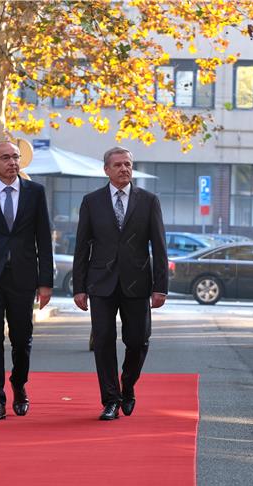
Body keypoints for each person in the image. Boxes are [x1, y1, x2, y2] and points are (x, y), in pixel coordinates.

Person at [72, 147, 168, 421]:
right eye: (118, 165)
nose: (124, 168)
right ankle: (110, 399)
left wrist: (160, 287)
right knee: (102, 341)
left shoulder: (149, 201)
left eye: (128, 164)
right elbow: (81, 246)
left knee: (138, 341)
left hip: (137, 283)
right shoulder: (92, 201)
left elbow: (159, 247)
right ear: (107, 170)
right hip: (100, 283)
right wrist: (79, 287)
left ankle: (128, 383)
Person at [0, 140, 54, 421]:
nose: (12, 162)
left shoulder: (35, 193)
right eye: (5, 158)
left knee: (21, 339)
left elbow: (44, 239)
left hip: (23, 278)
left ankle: (19, 383)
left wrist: (45, 282)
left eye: (15, 157)